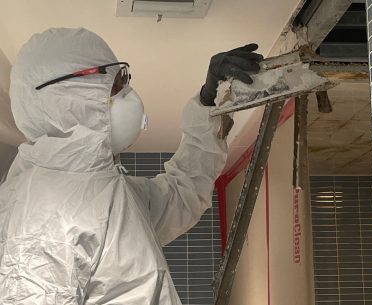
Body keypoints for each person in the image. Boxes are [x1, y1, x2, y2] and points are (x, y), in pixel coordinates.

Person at [0, 27, 262, 304]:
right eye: (115, 85)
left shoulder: (105, 189)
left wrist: (208, 100)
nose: (128, 94)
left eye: (125, 80)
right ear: (67, 97)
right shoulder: (39, 218)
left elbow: (180, 195)